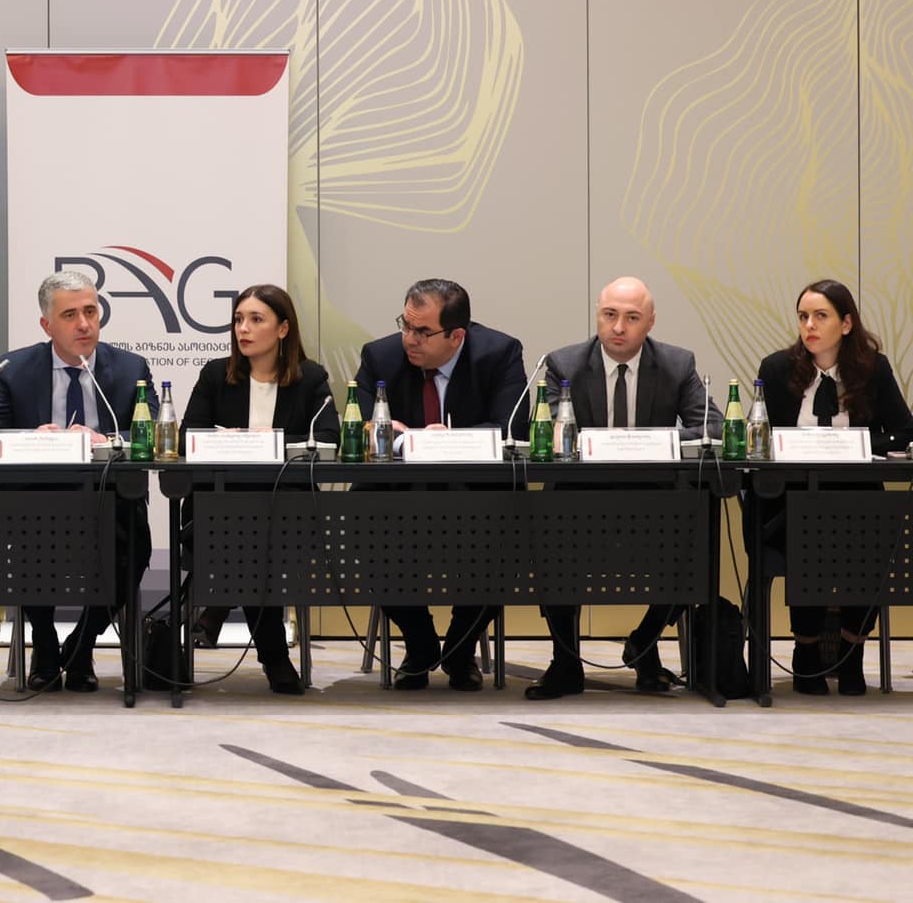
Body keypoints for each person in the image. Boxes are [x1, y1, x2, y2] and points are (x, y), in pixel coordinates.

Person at [530, 276, 715, 699]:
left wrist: (647, 441)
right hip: (577, 503)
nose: (618, 327)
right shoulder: (564, 364)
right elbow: (542, 430)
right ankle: (565, 663)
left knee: (696, 543)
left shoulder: (676, 364)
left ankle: (644, 644)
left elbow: (711, 427)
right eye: (610, 315)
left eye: (632, 318)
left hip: (655, 504)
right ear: (597, 315)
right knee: (549, 534)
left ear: (650, 322)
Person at [0, 269, 157, 693]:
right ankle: (44, 643)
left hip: (109, 500)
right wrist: (31, 438)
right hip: (34, 501)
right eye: (70, 315)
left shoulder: (131, 368)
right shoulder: (13, 369)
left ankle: (81, 643)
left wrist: (106, 439)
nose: (84, 324)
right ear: (47, 325)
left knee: (133, 547)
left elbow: (151, 433)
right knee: (26, 539)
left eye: (90, 312)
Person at [353, 277, 528, 691]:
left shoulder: (500, 353)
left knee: (514, 523)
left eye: (422, 331)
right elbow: (364, 426)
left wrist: (447, 440)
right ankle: (420, 643)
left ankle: (461, 648)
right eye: (405, 325)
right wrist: (406, 439)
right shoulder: (380, 356)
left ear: (457, 336)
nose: (409, 339)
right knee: (357, 518)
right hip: (398, 497)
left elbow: (510, 429)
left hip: (475, 493)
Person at [756, 279, 913, 696]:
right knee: (807, 531)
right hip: (793, 500)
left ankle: (851, 650)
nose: (809, 325)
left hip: (856, 498)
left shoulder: (873, 369)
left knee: (870, 537)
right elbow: (764, 438)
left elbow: (903, 430)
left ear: (846, 324)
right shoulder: (777, 369)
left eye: (820, 316)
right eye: (803, 316)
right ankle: (806, 650)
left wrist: (852, 444)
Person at [179, 283, 337, 695]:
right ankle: (275, 658)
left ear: (283, 329)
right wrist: (227, 441)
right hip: (219, 509)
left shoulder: (311, 378)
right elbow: (186, 437)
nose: (243, 329)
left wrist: (273, 443)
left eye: (255, 319)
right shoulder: (216, 375)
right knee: (247, 533)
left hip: (287, 513)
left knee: (256, 533)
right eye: (238, 320)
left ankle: (217, 606)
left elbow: (328, 440)